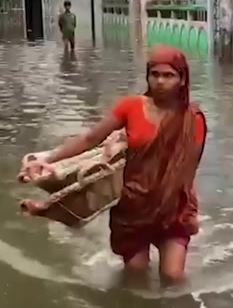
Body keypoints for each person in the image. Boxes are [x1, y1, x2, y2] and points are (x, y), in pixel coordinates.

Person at [18, 45, 207, 286]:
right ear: (147, 76)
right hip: (133, 206)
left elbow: (190, 168)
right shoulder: (130, 107)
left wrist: (183, 205)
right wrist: (48, 160)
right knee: (135, 276)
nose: (160, 81)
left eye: (169, 75)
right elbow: (90, 138)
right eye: (155, 74)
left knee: (172, 277)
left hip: (173, 207)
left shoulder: (193, 119)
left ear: (182, 80)